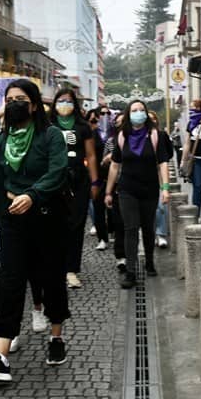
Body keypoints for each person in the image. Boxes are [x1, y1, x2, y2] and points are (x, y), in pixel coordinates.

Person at [0, 79, 69, 382]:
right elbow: (0, 175)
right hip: (13, 223)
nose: (14, 103)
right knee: (9, 285)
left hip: (46, 219)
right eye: (10, 98)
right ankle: (0, 355)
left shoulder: (51, 135)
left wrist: (33, 194)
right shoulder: (5, 139)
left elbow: (58, 171)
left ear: (34, 104)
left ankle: (56, 337)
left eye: (21, 98)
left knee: (50, 280)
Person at [105, 100, 171, 289]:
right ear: (128, 114)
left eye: (142, 110)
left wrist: (165, 188)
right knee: (130, 228)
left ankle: (149, 260)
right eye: (134, 110)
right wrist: (108, 192)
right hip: (127, 189)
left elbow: (163, 163)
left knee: (148, 228)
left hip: (150, 189)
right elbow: (115, 165)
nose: (139, 113)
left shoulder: (156, 136)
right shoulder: (122, 136)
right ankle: (131, 271)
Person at [50, 90, 99, 289]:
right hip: (53, 180)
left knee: (76, 224)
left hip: (78, 178)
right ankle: (55, 266)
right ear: (54, 103)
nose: (64, 104)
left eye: (69, 101)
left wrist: (95, 182)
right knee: (54, 224)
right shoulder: (47, 124)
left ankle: (71, 270)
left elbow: (91, 155)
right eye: (61, 101)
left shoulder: (83, 127)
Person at [103, 114, 126, 272]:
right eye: (119, 122)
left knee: (132, 225)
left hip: (135, 185)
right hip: (117, 185)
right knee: (120, 223)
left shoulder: (137, 140)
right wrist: (108, 192)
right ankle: (121, 256)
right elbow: (103, 161)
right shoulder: (111, 141)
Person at [86, 109, 109, 251]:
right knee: (98, 208)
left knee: (114, 211)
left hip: (113, 175)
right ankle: (102, 238)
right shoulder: (89, 135)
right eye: (92, 120)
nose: (96, 121)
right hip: (97, 175)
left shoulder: (114, 132)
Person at [149, 111, 171, 249]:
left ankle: (161, 233)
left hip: (159, 172)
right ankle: (150, 233)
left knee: (161, 206)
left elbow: (169, 153)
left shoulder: (162, 135)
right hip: (145, 174)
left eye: (153, 119)